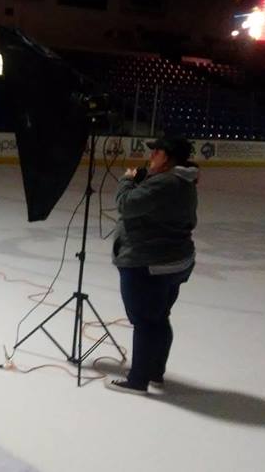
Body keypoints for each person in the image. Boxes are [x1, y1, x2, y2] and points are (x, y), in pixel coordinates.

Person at [106, 136, 199, 395]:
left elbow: (127, 204)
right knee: (158, 318)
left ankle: (138, 380)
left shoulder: (166, 183)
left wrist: (127, 179)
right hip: (174, 262)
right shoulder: (183, 181)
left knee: (145, 321)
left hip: (150, 264)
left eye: (155, 152)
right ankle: (154, 372)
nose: (151, 157)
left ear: (166, 156)